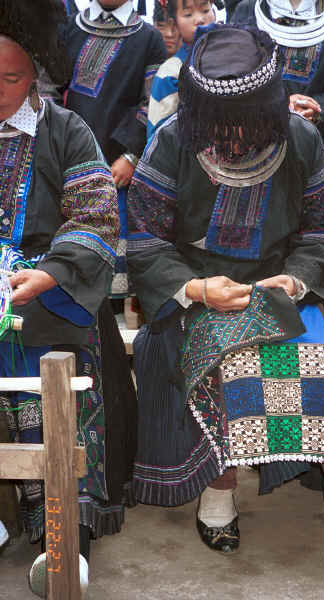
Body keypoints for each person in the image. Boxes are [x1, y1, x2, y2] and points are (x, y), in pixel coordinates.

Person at [128, 24, 324, 599]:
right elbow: (143, 241)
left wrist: (294, 280)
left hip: (282, 289)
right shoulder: (172, 141)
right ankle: (218, 492)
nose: (236, 133)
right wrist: (196, 290)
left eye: (247, 116)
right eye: (222, 120)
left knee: (318, 368)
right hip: (196, 294)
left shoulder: (300, 137)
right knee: (229, 363)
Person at [0, 1, 137, 597]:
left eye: (10, 77)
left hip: (47, 289)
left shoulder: (65, 129)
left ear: (36, 76)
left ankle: (62, 531)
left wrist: (50, 274)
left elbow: (96, 216)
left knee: (47, 372)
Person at [229, 0, 324, 356]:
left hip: (318, 152)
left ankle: (323, 339)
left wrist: (319, 108)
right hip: (255, 151)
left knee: (319, 236)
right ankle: (249, 330)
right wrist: (275, 104)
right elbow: (227, 74)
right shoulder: (247, 11)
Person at [62, 0, 166, 299]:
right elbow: (48, 88)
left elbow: (152, 102)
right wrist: (57, 144)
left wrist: (131, 154)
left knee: (115, 229)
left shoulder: (148, 38)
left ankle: (115, 305)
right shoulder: (69, 28)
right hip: (68, 155)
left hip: (117, 162)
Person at [146, 0, 215, 140]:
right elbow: (159, 138)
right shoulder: (170, 72)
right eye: (188, 14)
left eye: (205, 10)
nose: (200, 20)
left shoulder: (231, 52)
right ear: (174, 24)